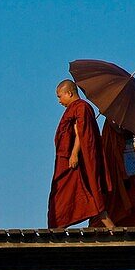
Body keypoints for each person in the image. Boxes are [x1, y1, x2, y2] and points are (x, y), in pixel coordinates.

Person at [47, 80, 114, 228]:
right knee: (67, 196)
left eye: (59, 96)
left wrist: (74, 154)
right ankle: (58, 228)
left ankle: (57, 229)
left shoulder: (81, 107)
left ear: (69, 93)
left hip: (74, 162)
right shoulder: (77, 108)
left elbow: (81, 133)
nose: (59, 101)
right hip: (66, 160)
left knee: (66, 196)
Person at [92, 121, 135, 227]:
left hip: (131, 167)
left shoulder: (133, 124)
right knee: (116, 198)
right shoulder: (111, 124)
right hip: (116, 169)